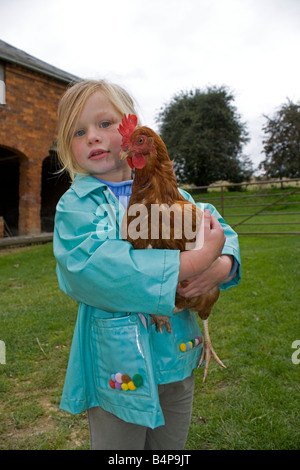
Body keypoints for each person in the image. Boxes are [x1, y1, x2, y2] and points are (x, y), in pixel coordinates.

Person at [53, 79, 241, 450]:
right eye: (79, 131)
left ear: (130, 129)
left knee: (170, 447)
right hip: (118, 365)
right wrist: (197, 259)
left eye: (105, 124)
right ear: (67, 148)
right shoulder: (78, 207)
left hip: (177, 353)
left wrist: (221, 266)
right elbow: (94, 268)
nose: (93, 136)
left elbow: (222, 232)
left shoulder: (179, 197)